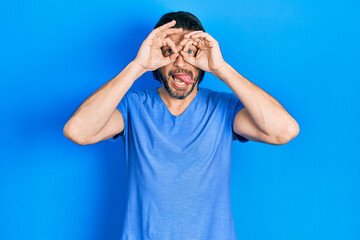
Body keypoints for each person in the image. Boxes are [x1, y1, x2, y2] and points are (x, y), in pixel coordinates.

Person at [63, 11, 299, 240]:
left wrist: (221, 69)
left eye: (190, 52)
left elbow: (284, 131)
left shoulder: (224, 108)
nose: (180, 61)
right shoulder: (132, 107)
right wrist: (138, 66)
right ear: (157, 60)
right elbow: (78, 131)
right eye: (169, 51)